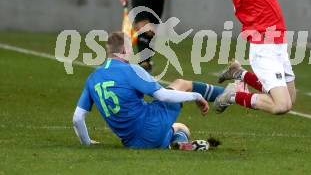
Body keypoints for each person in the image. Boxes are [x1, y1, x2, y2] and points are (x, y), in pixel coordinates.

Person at [72, 32, 225, 150]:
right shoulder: (132, 70)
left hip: (133, 142)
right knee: (181, 83)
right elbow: (163, 96)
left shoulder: (93, 78)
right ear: (124, 49)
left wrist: (87, 143)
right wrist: (195, 96)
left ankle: (179, 144)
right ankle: (228, 95)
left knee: (180, 127)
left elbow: (77, 118)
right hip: (151, 125)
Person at [215, 0, 297, 115]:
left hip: (278, 44)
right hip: (264, 46)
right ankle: (234, 95)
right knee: (281, 106)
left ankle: (239, 73)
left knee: (290, 99)